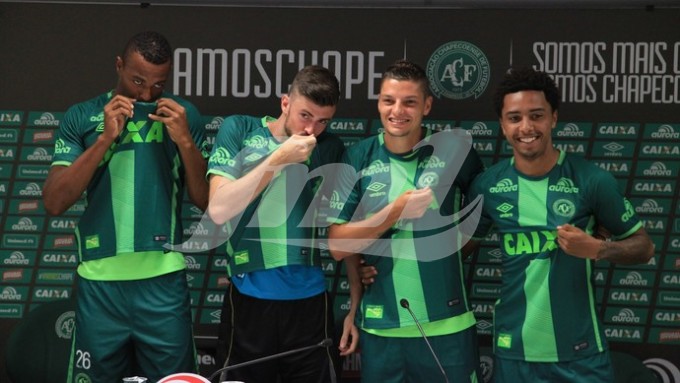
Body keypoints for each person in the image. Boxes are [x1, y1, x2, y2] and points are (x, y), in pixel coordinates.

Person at [467, 67, 655, 382]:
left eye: (536, 115)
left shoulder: (591, 180)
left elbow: (644, 247)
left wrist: (598, 248)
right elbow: (457, 250)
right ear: (502, 125)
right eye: (514, 118)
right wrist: (374, 262)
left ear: (553, 118)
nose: (526, 127)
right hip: (514, 353)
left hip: (581, 356)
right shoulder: (487, 185)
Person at [43, 31, 209, 382]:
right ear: (119, 66)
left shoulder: (184, 116)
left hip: (162, 281)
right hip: (101, 283)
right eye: (137, 80)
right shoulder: (83, 115)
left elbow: (205, 199)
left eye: (158, 84)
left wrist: (186, 141)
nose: (146, 94)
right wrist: (105, 138)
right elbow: (55, 200)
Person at [326, 59, 485, 383]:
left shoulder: (457, 150)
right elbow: (338, 246)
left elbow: (482, 215)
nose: (397, 110)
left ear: (427, 105)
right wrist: (394, 212)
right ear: (379, 103)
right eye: (389, 100)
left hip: (449, 326)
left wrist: (446, 254)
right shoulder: (358, 157)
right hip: (383, 328)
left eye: (409, 102)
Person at [206, 65, 346, 383]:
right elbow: (218, 209)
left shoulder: (331, 148)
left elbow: (342, 225)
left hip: (310, 304)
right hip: (250, 300)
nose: (312, 129)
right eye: (305, 115)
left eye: (323, 120)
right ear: (285, 102)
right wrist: (278, 158)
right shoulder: (239, 129)